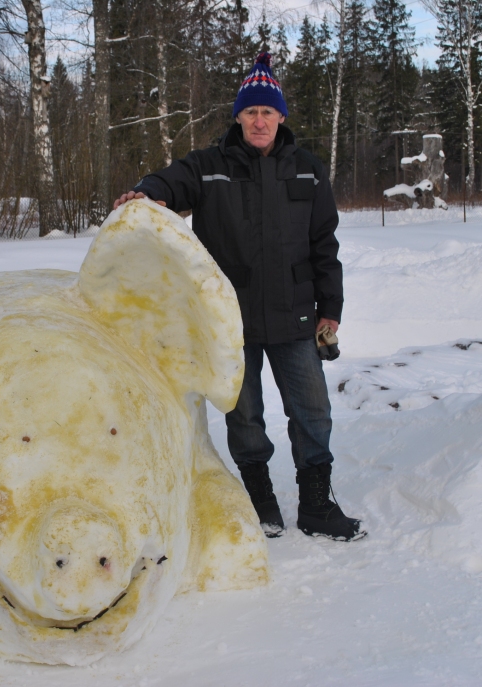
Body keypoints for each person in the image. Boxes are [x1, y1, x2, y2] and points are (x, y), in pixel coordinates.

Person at [113, 52, 364, 541]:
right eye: (250, 112)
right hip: (232, 323)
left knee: (312, 413)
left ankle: (316, 504)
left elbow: (324, 248)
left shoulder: (309, 171)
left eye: (267, 112)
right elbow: (169, 181)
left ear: (282, 117)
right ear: (238, 117)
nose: (259, 121)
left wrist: (330, 312)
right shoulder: (210, 166)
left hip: (296, 318)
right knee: (244, 417)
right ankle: (260, 501)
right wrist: (145, 193)